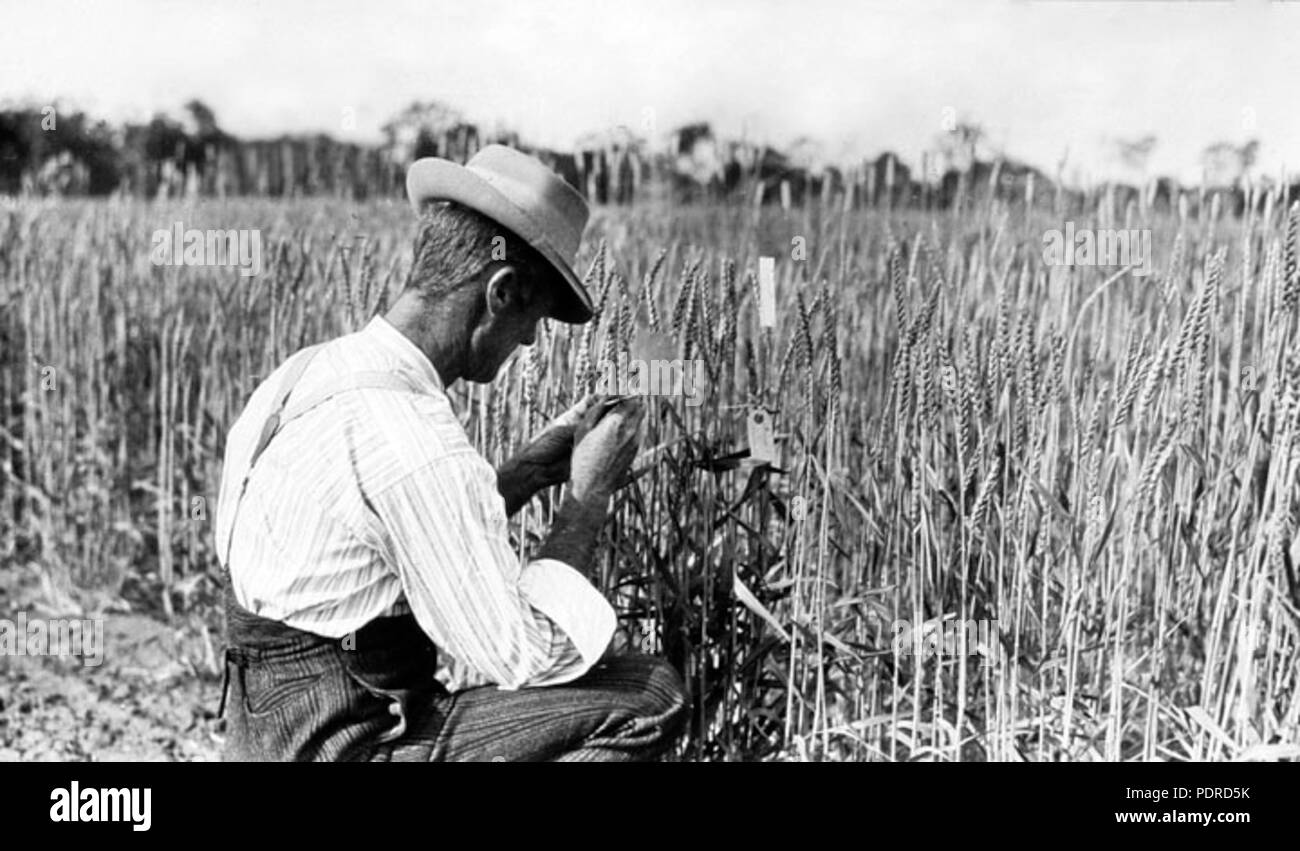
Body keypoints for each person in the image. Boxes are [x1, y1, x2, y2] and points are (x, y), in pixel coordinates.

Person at [213, 145, 688, 761]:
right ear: (503, 290)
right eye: (536, 317)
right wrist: (586, 499)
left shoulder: (305, 374)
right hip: (348, 749)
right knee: (649, 697)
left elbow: (377, 544)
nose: (531, 338)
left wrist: (525, 475)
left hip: (264, 742)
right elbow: (531, 655)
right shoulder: (414, 437)